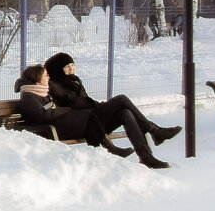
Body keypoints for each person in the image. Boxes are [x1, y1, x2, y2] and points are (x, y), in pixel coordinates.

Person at [42, 52, 178, 168]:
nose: (71, 69)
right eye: (67, 67)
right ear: (57, 69)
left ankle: (146, 157)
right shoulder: (54, 84)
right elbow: (75, 104)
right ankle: (155, 131)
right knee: (121, 99)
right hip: (82, 123)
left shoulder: (73, 80)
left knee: (125, 113)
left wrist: (98, 105)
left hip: (91, 119)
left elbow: (84, 100)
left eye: (72, 66)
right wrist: (99, 106)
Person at [14, 65, 135, 160]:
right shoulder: (29, 97)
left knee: (88, 114)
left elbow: (50, 109)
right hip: (47, 130)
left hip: (56, 124)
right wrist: (66, 109)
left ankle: (101, 148)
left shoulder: (39, 93)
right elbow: (44, 115)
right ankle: (109, 148)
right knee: (88, 116)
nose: (48, 77)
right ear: (37, 79)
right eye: (45, 75)